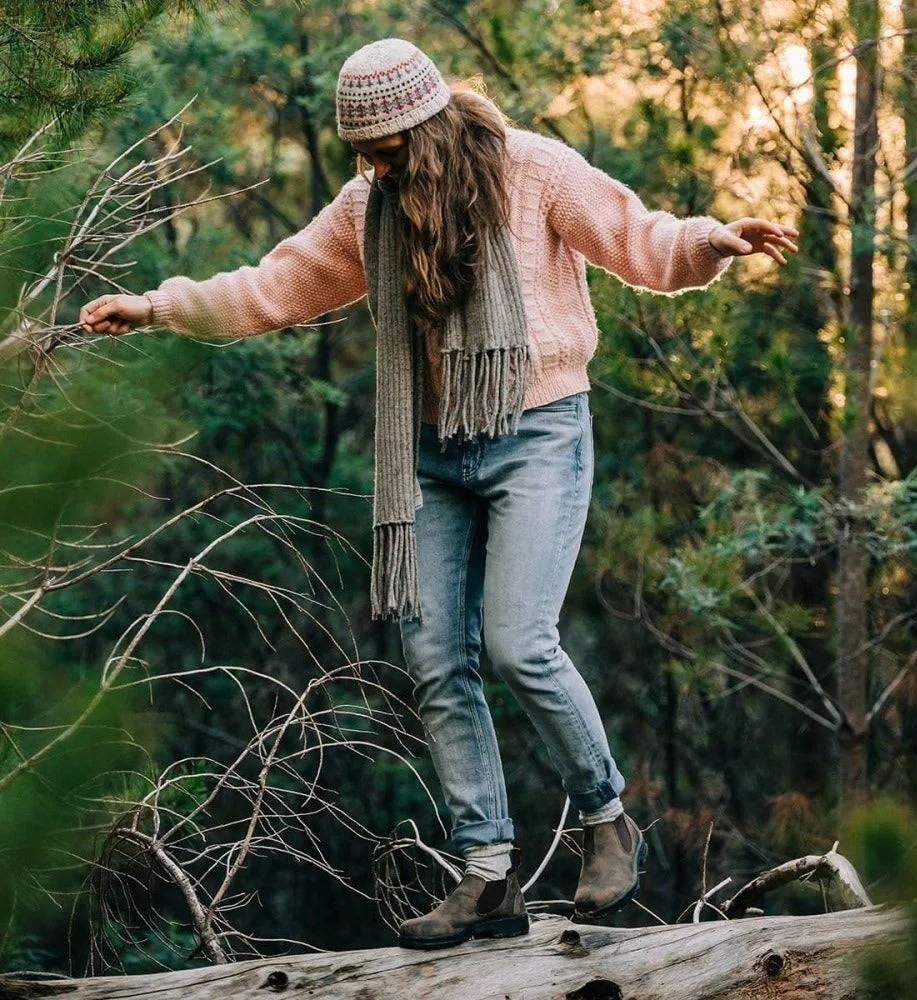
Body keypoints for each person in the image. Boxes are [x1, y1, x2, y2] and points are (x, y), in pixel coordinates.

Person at [80, 37, 798, 950]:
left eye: (386, 150)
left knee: (520, 640)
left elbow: (638, 235)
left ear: (428, 125)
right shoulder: (365, 209)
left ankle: (606, 818)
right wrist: (157, 304)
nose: (374, 168)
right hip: (425, 452)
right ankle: (487, 877)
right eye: (362, 154)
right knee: (435, 663)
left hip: (537, 429)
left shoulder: (528, 170)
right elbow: (272, 287)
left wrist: (711, 241)